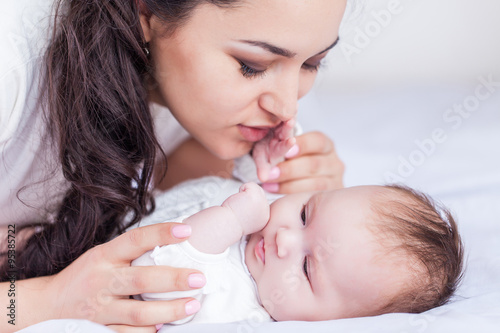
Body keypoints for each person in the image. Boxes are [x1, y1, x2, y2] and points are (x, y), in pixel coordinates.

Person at [0, 0, 348, 331]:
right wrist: (45, 301)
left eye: (312, 63)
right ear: (146, 12)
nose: (287, 107)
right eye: (250, 65)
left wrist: (289, 188)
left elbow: (152, 177)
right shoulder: (10, 67)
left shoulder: (176, 89)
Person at [131, 177, 464, 330]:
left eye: (306, 268)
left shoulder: (232, 307)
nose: (285, 239)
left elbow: (151, 276)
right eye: (305, 214)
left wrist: (230, 220)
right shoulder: (262, 215)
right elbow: (264, 180)